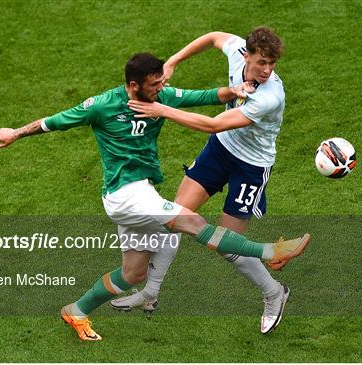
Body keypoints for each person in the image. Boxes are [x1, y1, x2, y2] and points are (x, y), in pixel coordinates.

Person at [0, 52, 310, 341]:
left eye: (161, 83)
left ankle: (77, 310)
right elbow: (52, 122)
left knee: (132, 273)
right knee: (192, 221)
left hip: (141, 193)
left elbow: (205, 96)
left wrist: (235, 92)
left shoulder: (161, 97)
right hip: (123, 196)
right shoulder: (102, 106)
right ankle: (272, 250)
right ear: (133, 86)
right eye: (154, 85)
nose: (161, 90)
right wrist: (14, 133)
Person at [113, 27, 303, 334]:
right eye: (261, 63)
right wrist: (173, 61)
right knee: (172, 218)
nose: (267, 70)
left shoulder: (270, 96)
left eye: (272, 64)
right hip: (221, 150)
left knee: (228, 245)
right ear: (248, 55)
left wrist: (162, 109)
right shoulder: (237, 50)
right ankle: (149, 294)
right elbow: (214, 36)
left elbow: (213, 124)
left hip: (251, 166)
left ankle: (274, 293)